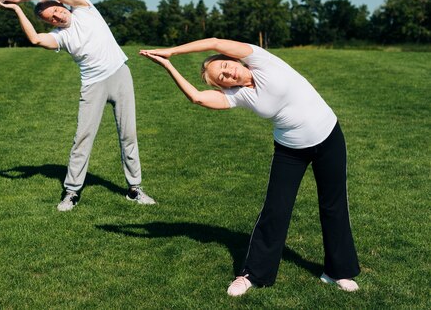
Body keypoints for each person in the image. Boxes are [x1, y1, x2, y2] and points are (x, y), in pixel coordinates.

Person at [139, 38, 360, 296]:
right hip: (290, 150)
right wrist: (168, 65)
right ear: (224, 84)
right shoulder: (239, 95)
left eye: (224, 65)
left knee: (333, 205)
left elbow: (214, 41)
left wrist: (173, 50)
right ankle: (251, 275)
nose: (227, 73)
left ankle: (337, 272)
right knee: (275, 210)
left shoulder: (260, 59)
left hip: (329, 136)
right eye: (221, 77)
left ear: (231, 58)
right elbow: (198, 98)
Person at [0, 0, 155, 211]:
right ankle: (71, 192)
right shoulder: (62, 36)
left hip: (120, 75)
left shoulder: (84, 9)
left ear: (61, 5)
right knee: (82, 139)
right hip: (92, 86)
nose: (58, 17)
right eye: (52, 19)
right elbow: (35, 39)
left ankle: (135, 189)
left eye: (57, 11)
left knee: (128, 135)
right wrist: (18, 10)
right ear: (51, 23)